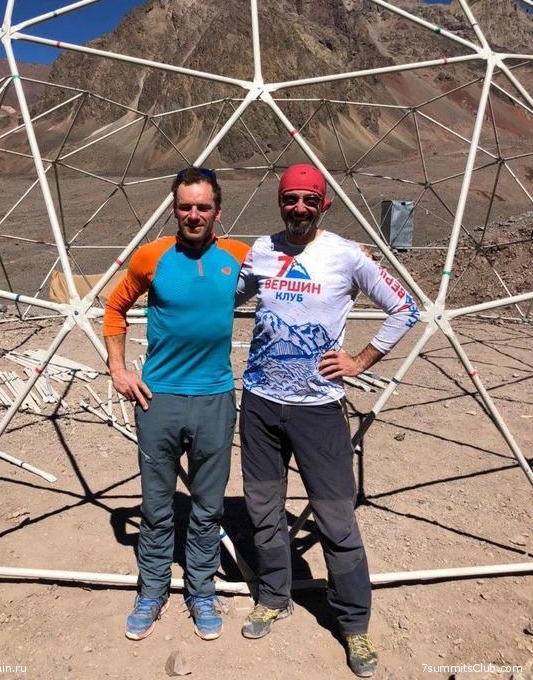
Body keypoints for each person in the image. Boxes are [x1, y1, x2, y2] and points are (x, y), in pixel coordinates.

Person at [235, 164, 419, 678]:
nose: (299, 207)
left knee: (336, 518)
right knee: (263, 509)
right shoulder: (261, 250)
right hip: (260, 403)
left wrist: (360, 360)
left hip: (318, 410)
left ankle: (354, 624)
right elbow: (225, 298)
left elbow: (404, 308)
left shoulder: (346, 255)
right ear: (280, 201)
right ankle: (274, 597)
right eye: (290, 198)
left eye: (308, 200)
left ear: (323, 204)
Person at [103, 167, 249, 642]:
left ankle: (201, 591)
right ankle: (152, 590)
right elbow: (114, 307)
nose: (194, 214)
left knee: (207, 507)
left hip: (214, 398)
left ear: (217, 211)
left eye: (203, 207)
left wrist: (353, 253)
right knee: (156, 505)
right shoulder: (152, 256)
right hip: (159, 398)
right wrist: (118, 369)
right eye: (185, 206)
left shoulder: (239, 256)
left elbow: (296, 259)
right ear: (175, 209)